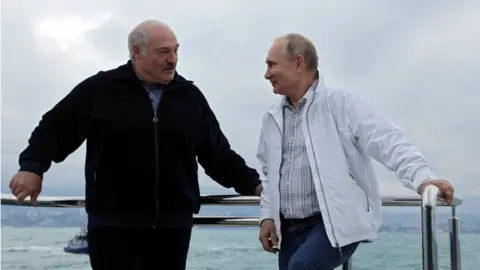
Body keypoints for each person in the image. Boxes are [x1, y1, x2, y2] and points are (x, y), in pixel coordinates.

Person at [9, 19, 262, 270]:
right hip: (113, 226)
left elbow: (218, 154)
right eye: (163, 52)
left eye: (176, 50)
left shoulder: (190, 97)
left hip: (172, 229)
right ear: (136, 52)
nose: (173, 59)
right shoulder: (101, 90)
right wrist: (32, 167)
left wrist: (255, 184)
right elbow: (54, 127)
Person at [256, 33, 455, 270]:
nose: (266, 74)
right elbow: (270, 175)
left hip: (332, 223)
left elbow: (388, 142)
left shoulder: (342, 104)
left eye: (272, 65)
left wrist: (423, 179)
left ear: (298, 63)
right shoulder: (272, 118)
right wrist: (267, 216)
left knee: (302, 267)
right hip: (288, 228)